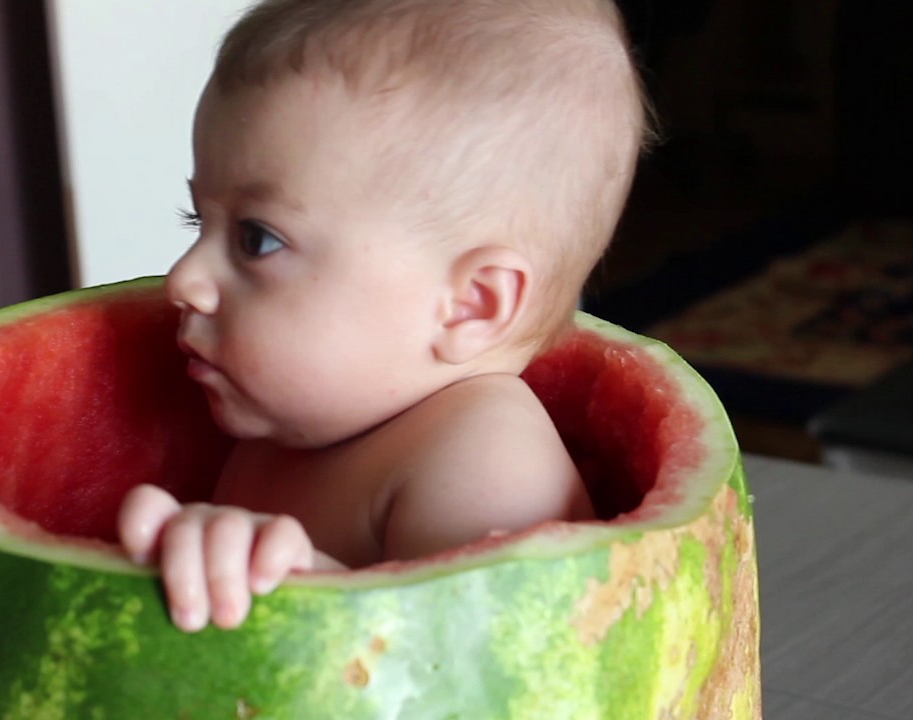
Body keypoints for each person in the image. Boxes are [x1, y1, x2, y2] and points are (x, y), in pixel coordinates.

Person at [118, 0, 653, 632]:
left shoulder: (483, 457)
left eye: (257, 238)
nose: (183, 279)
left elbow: (496, 670)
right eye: (196, 221)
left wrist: (304, 589)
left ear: (471, 305)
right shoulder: (297, 416)